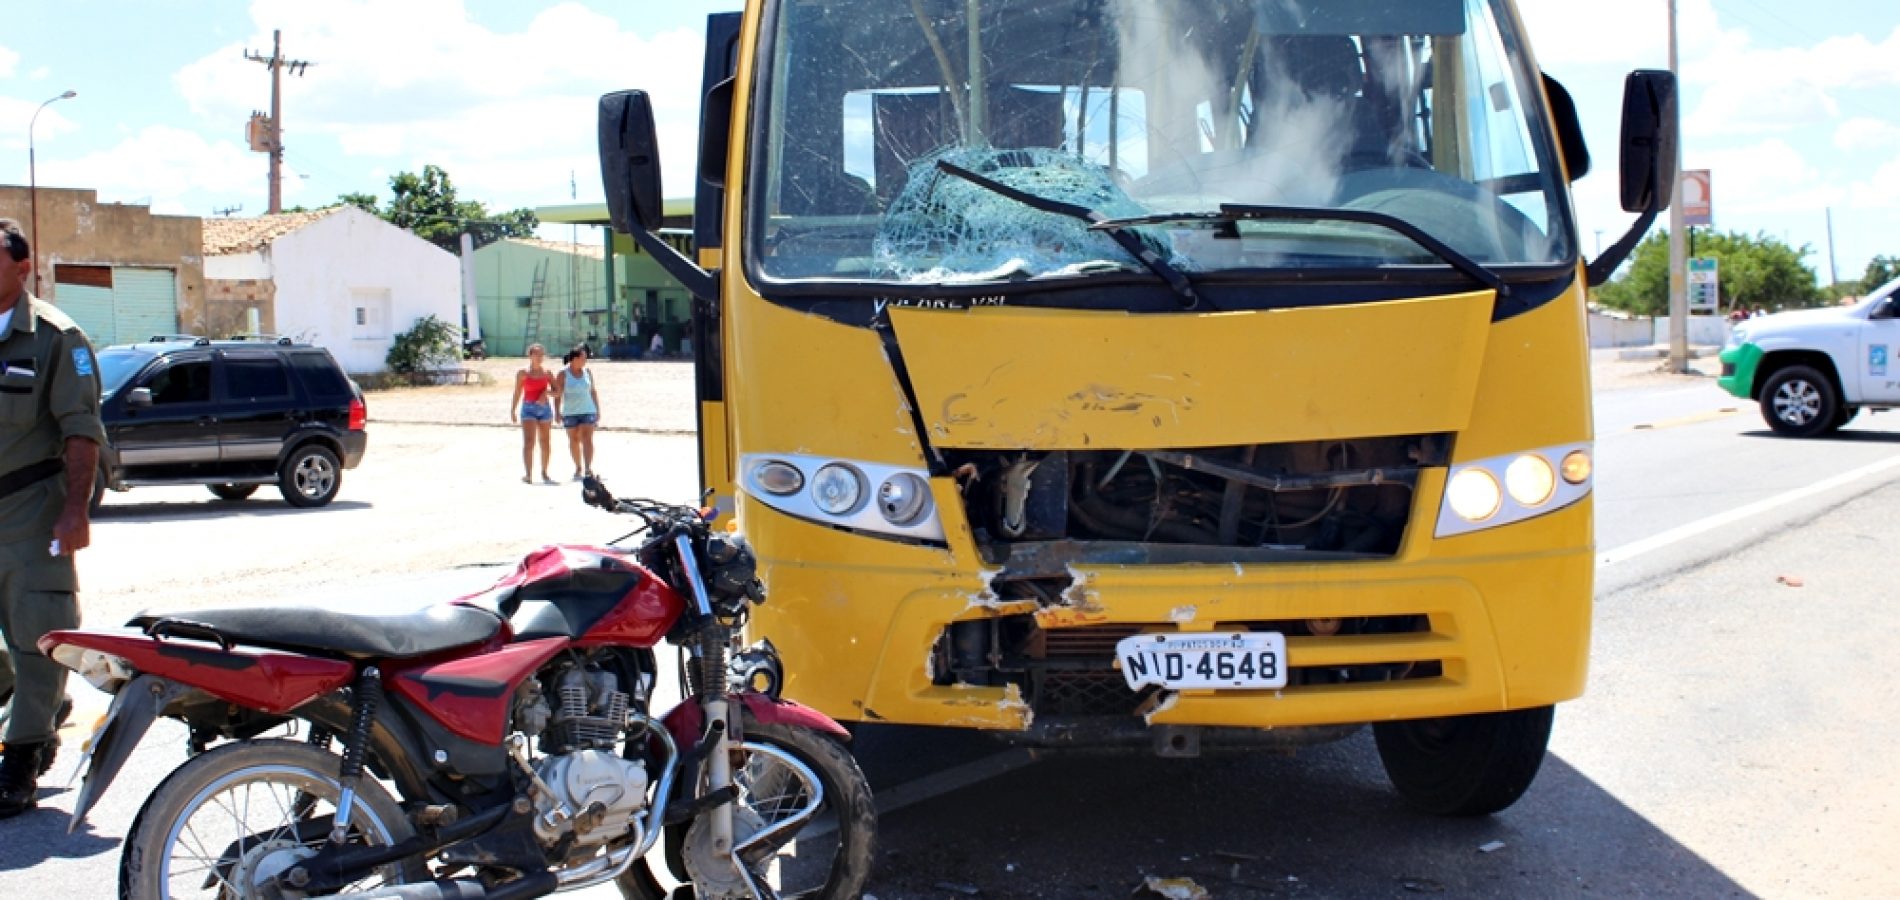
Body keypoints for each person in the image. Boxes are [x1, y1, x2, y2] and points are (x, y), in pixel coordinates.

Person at [0, 219, 104, 819]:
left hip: (30, 509)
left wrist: (74, 509)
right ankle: (35, 708)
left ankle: (20, 760)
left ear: (21, 268)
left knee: (38, 634)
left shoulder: (56, 338)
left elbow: (82, 431)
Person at [508, 343, 556, 484]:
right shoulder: (523, 373)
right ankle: (528, 474)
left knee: (545, 441)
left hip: (544, 408)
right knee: (529, 442)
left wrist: (546, 392)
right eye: (537, 354)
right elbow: (517, 392)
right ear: (530, 356)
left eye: (542, 354)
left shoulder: (547, 373)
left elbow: (557, 391)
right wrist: (513, 409)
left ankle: (544, 471)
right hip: (528, 407)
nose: (540, 357)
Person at [554, 345, 601, 480]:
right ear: (574, 359)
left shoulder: (587, 372)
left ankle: (587, 467)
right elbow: (558, 394)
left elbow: (593, 391)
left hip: (588, 409)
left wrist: (597, 409)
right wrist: (557, 411)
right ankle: (578, 466)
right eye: (582, 358)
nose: (585, 361)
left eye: (585, 358)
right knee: (573, 440)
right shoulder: (563, 374)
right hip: (570, 412)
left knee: (587, 439)